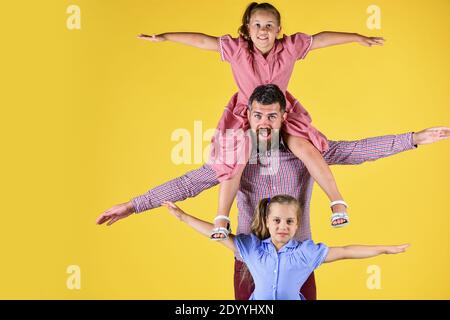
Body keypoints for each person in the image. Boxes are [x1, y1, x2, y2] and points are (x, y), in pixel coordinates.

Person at [96, 84, 450, 300]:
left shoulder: (305, 152)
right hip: (250, 263)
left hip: (299, 260)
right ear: (247, 117)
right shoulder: (236, 157)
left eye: (272, 116)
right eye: (258, 116)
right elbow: (189, 183)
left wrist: (414, 139)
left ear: (283, 117)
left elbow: (356, 150)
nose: (264, 122)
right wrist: (133, 205)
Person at [138, 2, 387, 236]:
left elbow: (321, 38)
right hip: (246, 116)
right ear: (248, 28)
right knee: (235, 156)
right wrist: (165, 37)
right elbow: (203, 40)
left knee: (305, 147)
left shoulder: (290, 47)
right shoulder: (237, 50)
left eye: (269, 26)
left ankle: (337, 202)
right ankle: (221, 218)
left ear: (279, 29)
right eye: (257, 25)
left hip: (279, 113)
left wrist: (357, 37)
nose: (263, 31)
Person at [161, 195, 409, 300]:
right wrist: (183, 216)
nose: (283, 226)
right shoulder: (252, 249)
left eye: (289, 221)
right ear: (267, 222)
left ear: (297, 224)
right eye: (277, 220)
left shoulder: (306, 253)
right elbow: (216, 234)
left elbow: (345, 251)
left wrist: (384, 249)